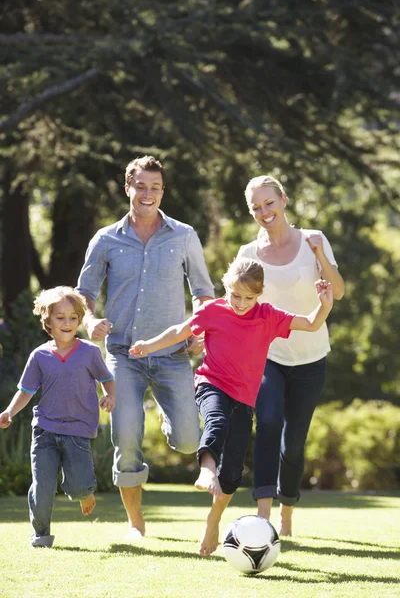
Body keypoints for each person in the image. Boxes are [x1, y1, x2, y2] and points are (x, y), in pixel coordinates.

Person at [129, 256, 333, 556]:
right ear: (226, 287)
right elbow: (179, 331)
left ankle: (213, 521)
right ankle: (206, 469)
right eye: (235, 295)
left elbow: (312, 323)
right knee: (216, 422)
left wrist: (325, 303)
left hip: (244, 399)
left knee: (233, 472)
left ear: (260, 293)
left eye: (249, 297)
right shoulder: (213, 310)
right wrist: (148, 345)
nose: (240, 303)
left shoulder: (268, 315)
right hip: (211, 383)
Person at [76, 155, 215, 540]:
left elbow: (203, 292)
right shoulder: (106, 239)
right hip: (123, 356)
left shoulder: (184, 235)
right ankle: (136, 522)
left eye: (155, 187)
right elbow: (83, 294)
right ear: (128, 188)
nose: (147, 193)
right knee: (125, 435)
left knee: (189, 439)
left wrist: (199, 327)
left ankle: (163, 415)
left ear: (162, 191)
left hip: (173, 355)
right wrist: (90, 321)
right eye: (141, 186)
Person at [238, 175, 345, 537]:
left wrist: (319, 256)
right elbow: (239, 305)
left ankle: (287, 507)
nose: (264, 212)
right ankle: (263, 516)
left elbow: (340, 291)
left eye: (269, 203)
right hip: (268, 355)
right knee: (266, 423)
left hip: (311, 357)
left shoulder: (313, 240)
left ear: (283, 200)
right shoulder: (248, 255)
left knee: (294, 441)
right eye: (256, 207)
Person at [0, 286, 115, 548]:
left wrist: (110, 397)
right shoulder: (39, 356)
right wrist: (9, 412)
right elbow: (26, 391)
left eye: (73, 318)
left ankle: (85, 493)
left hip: (78, 430)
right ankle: (41, 535)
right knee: (42, 486)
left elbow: (108, 380)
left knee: (77, 487)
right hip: (45, 430)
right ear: (48, 321)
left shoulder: (89, 352)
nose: (67, 323)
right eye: (60, 317)